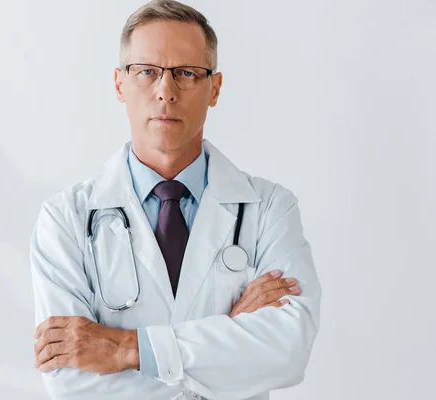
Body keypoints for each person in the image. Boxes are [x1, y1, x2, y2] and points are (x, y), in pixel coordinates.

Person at [30, 1, 321, 399]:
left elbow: (287, 353)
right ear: (119, 84)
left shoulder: (270, 208)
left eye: (187, 73)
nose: (166, 91)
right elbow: (71, 382)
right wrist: (229, 340)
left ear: (214, 88)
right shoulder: (65, 219)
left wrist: (123, 348)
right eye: (147, 72)